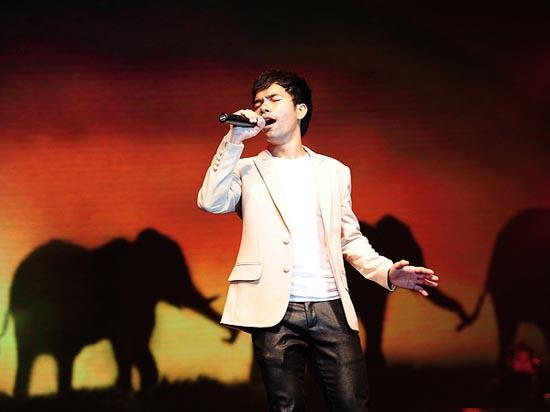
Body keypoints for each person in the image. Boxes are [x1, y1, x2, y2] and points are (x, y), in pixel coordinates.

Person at [197, 69, 439, 412]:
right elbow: (210, 201)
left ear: (300, 109)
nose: (263, 107)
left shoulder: (333, 171)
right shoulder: (245, 169)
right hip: (274, 310)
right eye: (258, 101)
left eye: (273, 99)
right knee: (287, 407)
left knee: (352, 404)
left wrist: (386, 272)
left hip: (329, 304)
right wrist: (234, 139)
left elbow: (349, 239)